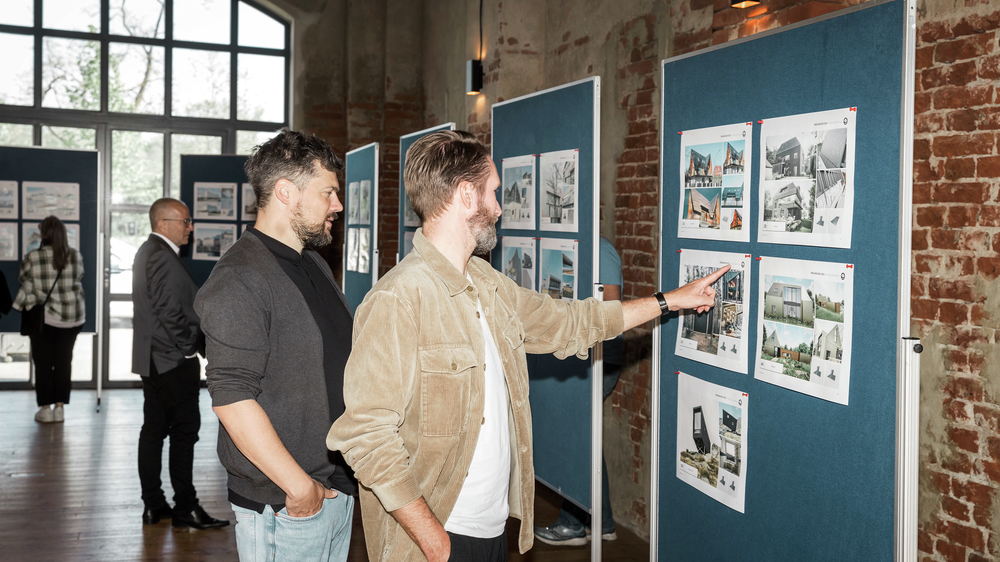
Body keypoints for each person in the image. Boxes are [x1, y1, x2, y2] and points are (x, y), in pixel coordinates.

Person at [327, 130, 727, 562]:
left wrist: (669, 301)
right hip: (439, 537)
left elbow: (575, 321)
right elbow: (366, 436)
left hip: (493, 529)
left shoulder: (489, 286)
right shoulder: (397, 300)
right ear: (466, 195)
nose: (499, 208)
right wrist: (433, 540)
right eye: (493, 193)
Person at [195, 130, 356, 562]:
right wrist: (298, 487)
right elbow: (231, 397)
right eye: (329, 193)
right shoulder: (239, 277)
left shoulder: (314, 263)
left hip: (335, 489)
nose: (337, 205)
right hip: (287, 504)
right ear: (286, 192)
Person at [132, 198, 229, 530]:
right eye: (185, 221)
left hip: (155, 362)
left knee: (154, 431)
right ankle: (185, 508)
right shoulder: (160, 255)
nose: (191, 227)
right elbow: (169, 311)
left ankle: (154, 504)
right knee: (184, 433)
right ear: (163, 224)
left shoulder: (149, 251)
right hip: (172, 362)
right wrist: (190, 349)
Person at [533, 235, 622, 546]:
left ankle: (572, 525)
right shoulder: (571, 248)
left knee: (576, 432)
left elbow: (611, 305)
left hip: (601, 358)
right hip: (580, 353)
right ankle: (604, 523)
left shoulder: (602, 251)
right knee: (586, 434)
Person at [13, 216, 85, 424]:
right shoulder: (75, 256)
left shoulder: (33, 257)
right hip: (72, 318)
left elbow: (23, 278)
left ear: (43, 234)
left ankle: (45, 409)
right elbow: (79, 276)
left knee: (43, 365)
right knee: (64, 363)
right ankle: (60, 408)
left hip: (45, 319)